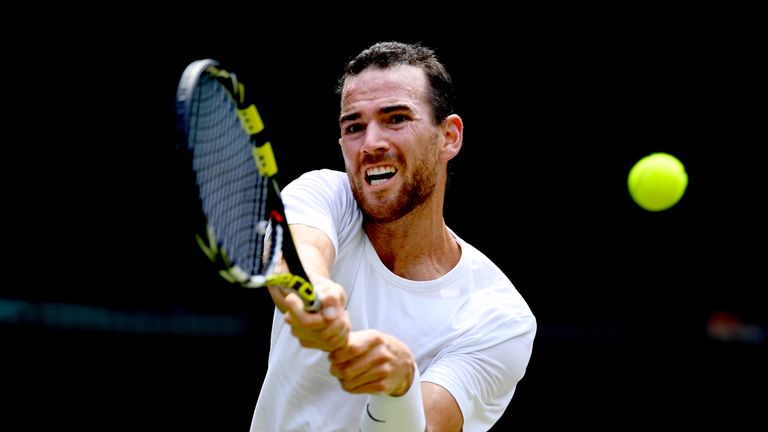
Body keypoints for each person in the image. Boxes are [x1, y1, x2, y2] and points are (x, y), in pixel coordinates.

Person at [251, 41, 536, 432]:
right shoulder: (322, 194)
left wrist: (400, 385)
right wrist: (313, 291)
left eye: (396, 118)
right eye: (354, 127)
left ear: (449, 137)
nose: (371, 144)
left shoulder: (499, 317)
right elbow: (297, 254)